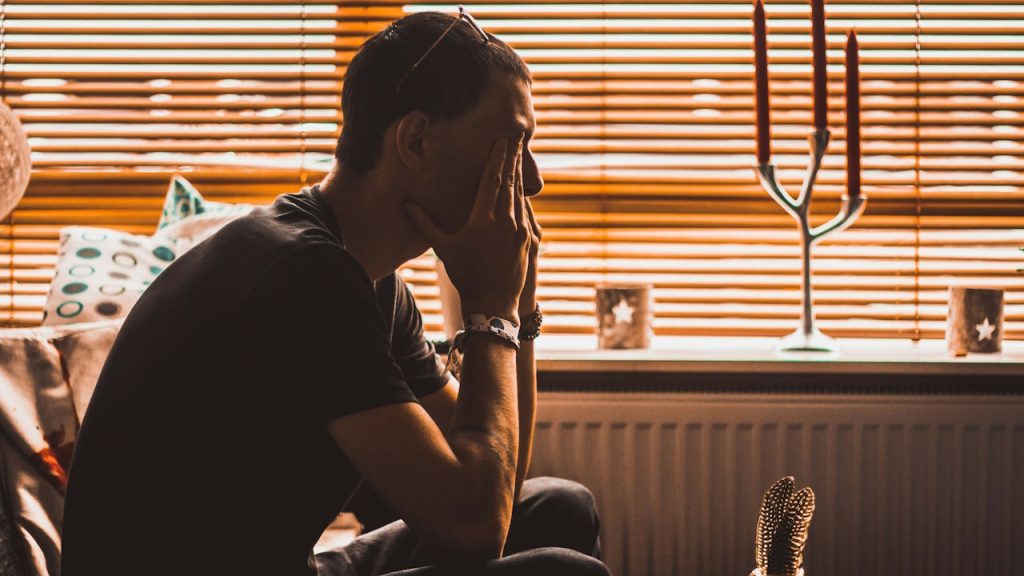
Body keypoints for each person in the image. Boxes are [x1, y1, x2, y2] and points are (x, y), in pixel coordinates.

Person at [62, 10, 609, 576]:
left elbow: (493, 480)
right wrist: (491, 309)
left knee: (560, 507)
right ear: (415, 140)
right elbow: (474, 528)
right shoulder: (302, 275)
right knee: (567, 571)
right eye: (512, 146)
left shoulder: (368, 281)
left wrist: (516, 310)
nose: (534, 180)